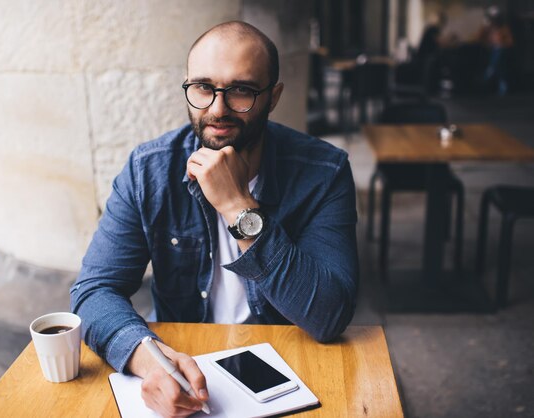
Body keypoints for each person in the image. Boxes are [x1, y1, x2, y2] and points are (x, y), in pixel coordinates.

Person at [71, 21, 358, 417]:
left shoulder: (324, 172)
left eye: (241, 90)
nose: (218, 109)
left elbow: (329, 315)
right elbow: (93, 291)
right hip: (183, 368)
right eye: (204, 88)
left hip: (291, 372)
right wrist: (149, 359)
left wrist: (239, 207)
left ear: (273, 97)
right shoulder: (148, 170)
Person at [477, 6, 514, 96]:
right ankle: (491, 80)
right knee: (499, 69)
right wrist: (487, 43)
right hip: (489, 50)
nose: (494, 20)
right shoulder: (487, 28)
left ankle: (489, 74)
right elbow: (480, 38)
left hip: (500, 50)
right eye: (492, 18)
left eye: (495, 18)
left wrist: (501, 44)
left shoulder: (503, 29)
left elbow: (510, 42)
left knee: (496, 65)